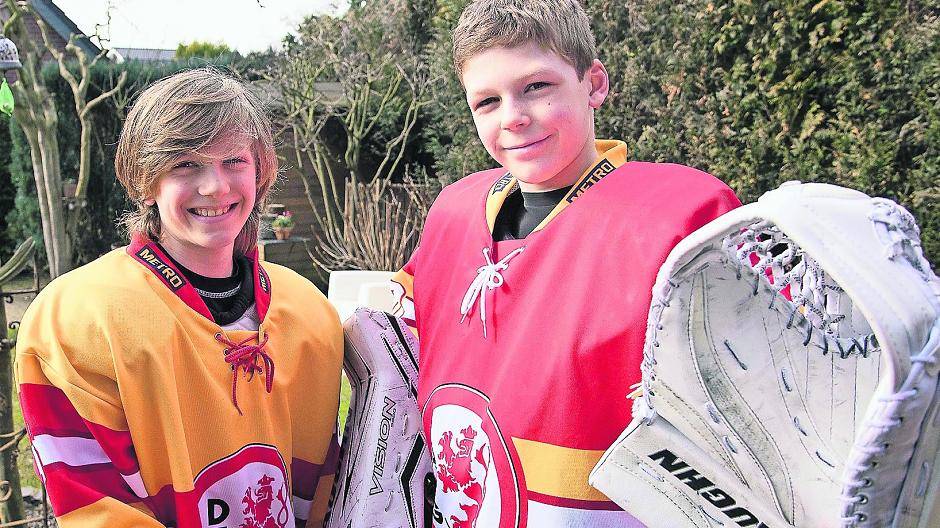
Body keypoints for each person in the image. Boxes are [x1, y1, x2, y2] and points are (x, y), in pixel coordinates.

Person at [390, 0, 742, 526]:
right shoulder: (454, 212)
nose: (513, 116)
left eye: (537, 86)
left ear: (594, 84)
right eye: (487, 101)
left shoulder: (679, 217)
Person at [16, 68, 342, 527]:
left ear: (261, 170)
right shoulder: (78, 320)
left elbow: (329, 491)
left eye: (234, 161)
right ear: (146, 181)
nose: (216, 186)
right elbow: (94, 504)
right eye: (185, 164)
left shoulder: (309, 313)